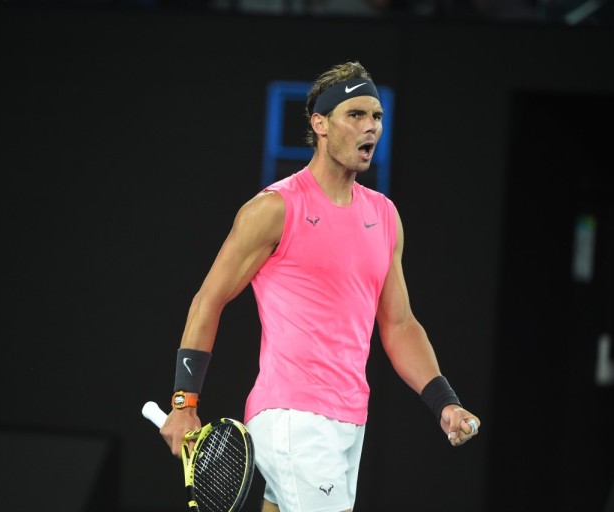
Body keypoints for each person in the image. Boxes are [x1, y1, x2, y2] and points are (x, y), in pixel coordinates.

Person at [160, 60, 481, 512]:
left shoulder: (384, 216)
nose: (371, 127)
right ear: (320, 124)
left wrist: (444, 403)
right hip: (294, 418)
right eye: (356, 115)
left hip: (350, 420)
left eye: (377, 116)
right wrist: (184, 403)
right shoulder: (274, 209)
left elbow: (400, 325)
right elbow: (207, 301)